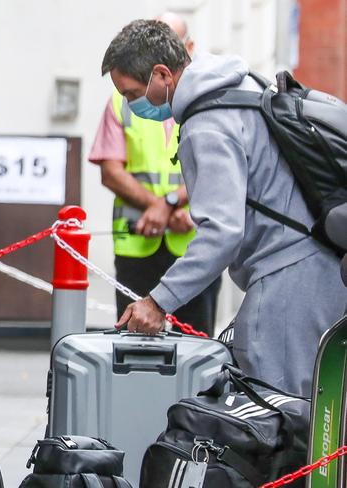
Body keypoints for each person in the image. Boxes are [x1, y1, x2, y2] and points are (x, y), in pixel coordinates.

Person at [102, 19, 347, 396]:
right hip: (317, 266)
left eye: (132, 93)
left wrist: (157, 302)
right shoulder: (239, 83)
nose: (128, 104)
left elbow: (222, 232)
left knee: (277, 411)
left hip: (289, 277)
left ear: (162, 74)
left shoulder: (207, 124)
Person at [89, 12, 219, 335]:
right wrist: (157, 206)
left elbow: (216, 169)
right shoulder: (123, 104)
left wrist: (170, 204)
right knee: (134, 345)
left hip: (192, 239)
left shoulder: (205, 105)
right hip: (138, 241)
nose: (130, 100)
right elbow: (110, 170)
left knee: (196, 344)